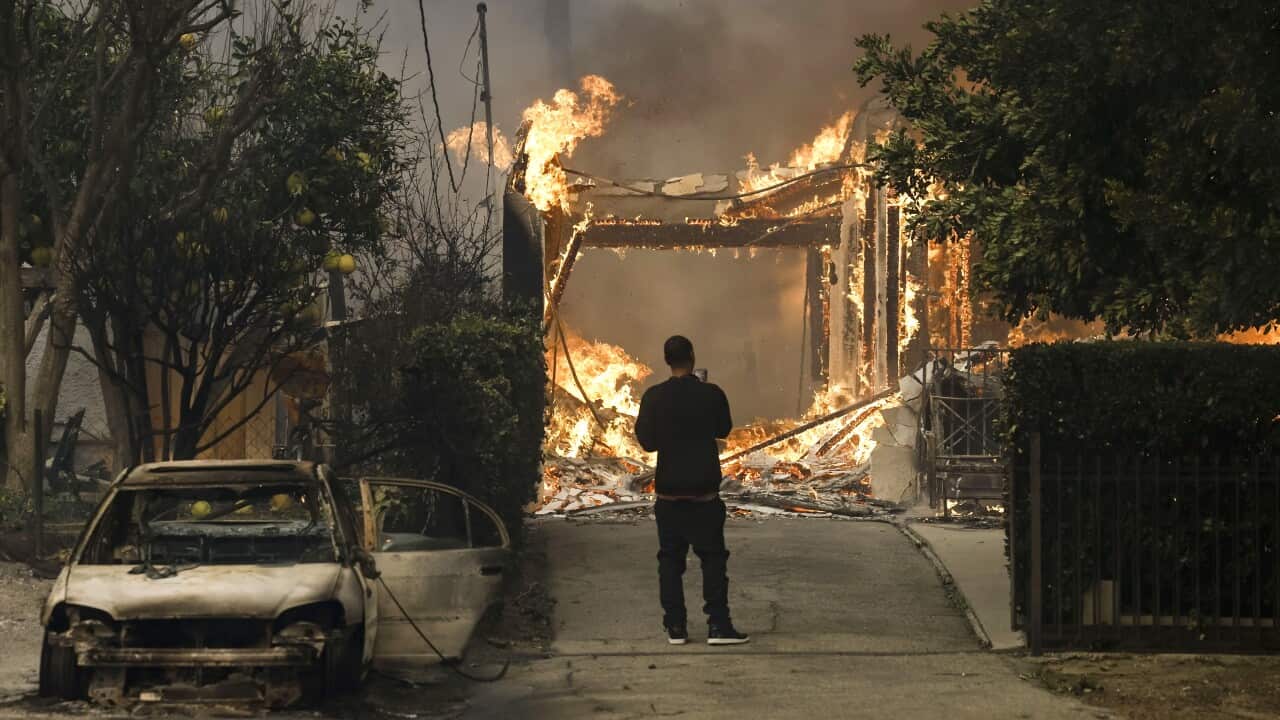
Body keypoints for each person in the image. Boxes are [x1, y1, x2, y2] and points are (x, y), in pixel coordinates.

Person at [635, 335, 749, 646]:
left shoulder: (654, 397)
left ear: (666, 360)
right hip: (704, 495)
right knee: (712, 559)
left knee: (670, 561)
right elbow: (723, 429)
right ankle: (718, 626)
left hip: (669, 495)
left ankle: (676, 627)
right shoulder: (711, 394)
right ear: (693, 357)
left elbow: (647, 442)